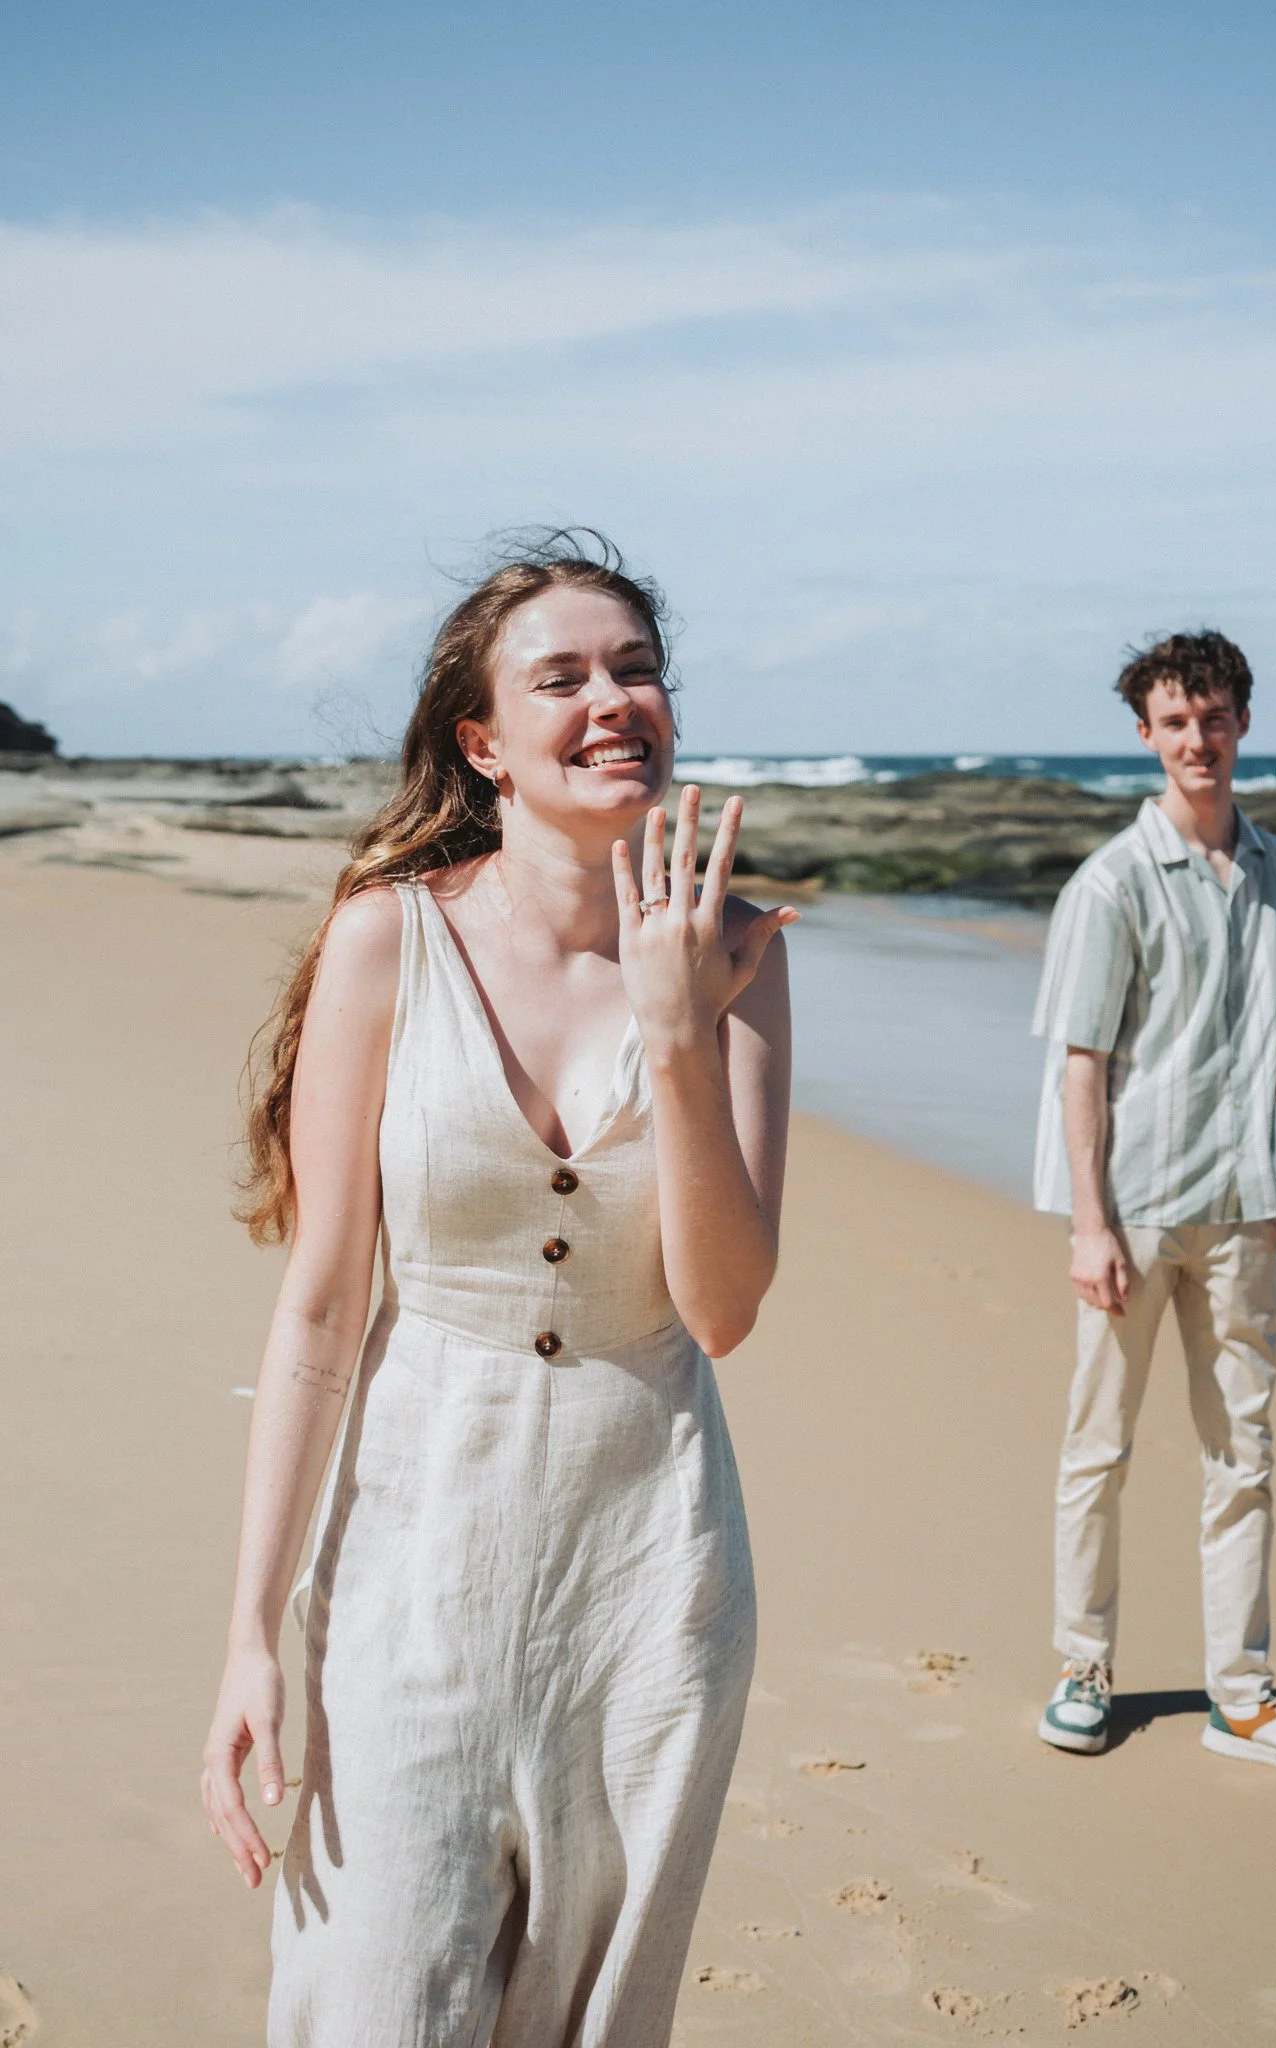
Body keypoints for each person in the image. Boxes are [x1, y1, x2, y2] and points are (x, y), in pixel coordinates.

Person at [201, 533, 797, 2044]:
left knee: (591, 2018)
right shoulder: (385, 941)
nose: (615, 700)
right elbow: (323, 1309)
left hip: (651, 1574)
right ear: (485, 741)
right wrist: (250, 1632)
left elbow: (721, 1309)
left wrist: (676, 1036)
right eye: (564, 677)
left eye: (638, 668)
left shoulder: (737, 954)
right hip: (416, 1558)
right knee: (378, 2001)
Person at [1031, 631, 1276, 1786]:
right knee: (1099, 1449)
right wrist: (1088, 1222)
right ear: (1146, 736)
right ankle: (1082, 1667)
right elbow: (1082, 1062)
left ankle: (1245, 1694)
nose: (1197, 739)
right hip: (1132, 1210)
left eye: (1213, 716)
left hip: (1245, 1206)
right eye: (1175, 721)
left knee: (1245, 1455)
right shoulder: (1112, 884)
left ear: (1242, 723)